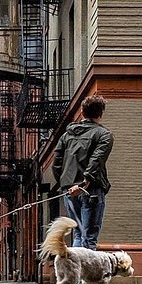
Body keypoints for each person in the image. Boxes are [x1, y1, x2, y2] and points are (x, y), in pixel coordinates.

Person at [52, 94, 114, 252]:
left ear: (82, 112)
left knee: (79, 234)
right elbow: (97, 160)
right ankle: (84, 277)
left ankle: (76, 275)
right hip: (90, 189)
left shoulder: (67, 135)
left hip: (70, 191)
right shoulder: (104, 135)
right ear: (100, 114)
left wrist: (64, 184)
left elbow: (56, 163)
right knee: (89, 237)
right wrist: (85, 181)